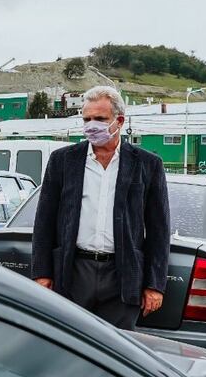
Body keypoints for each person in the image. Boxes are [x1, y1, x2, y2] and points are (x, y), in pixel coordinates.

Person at [30, 85, 170, 330]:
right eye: (87, 119)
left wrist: (154, 284)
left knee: (116, 347)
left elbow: (159, 229)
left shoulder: (147, 164)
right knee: (69, 343)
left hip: (123, 276)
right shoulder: (63, 161)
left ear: (119, 121)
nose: (91, 125)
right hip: (73, 272)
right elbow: (44, 221)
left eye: (100, 119)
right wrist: (42, 274)